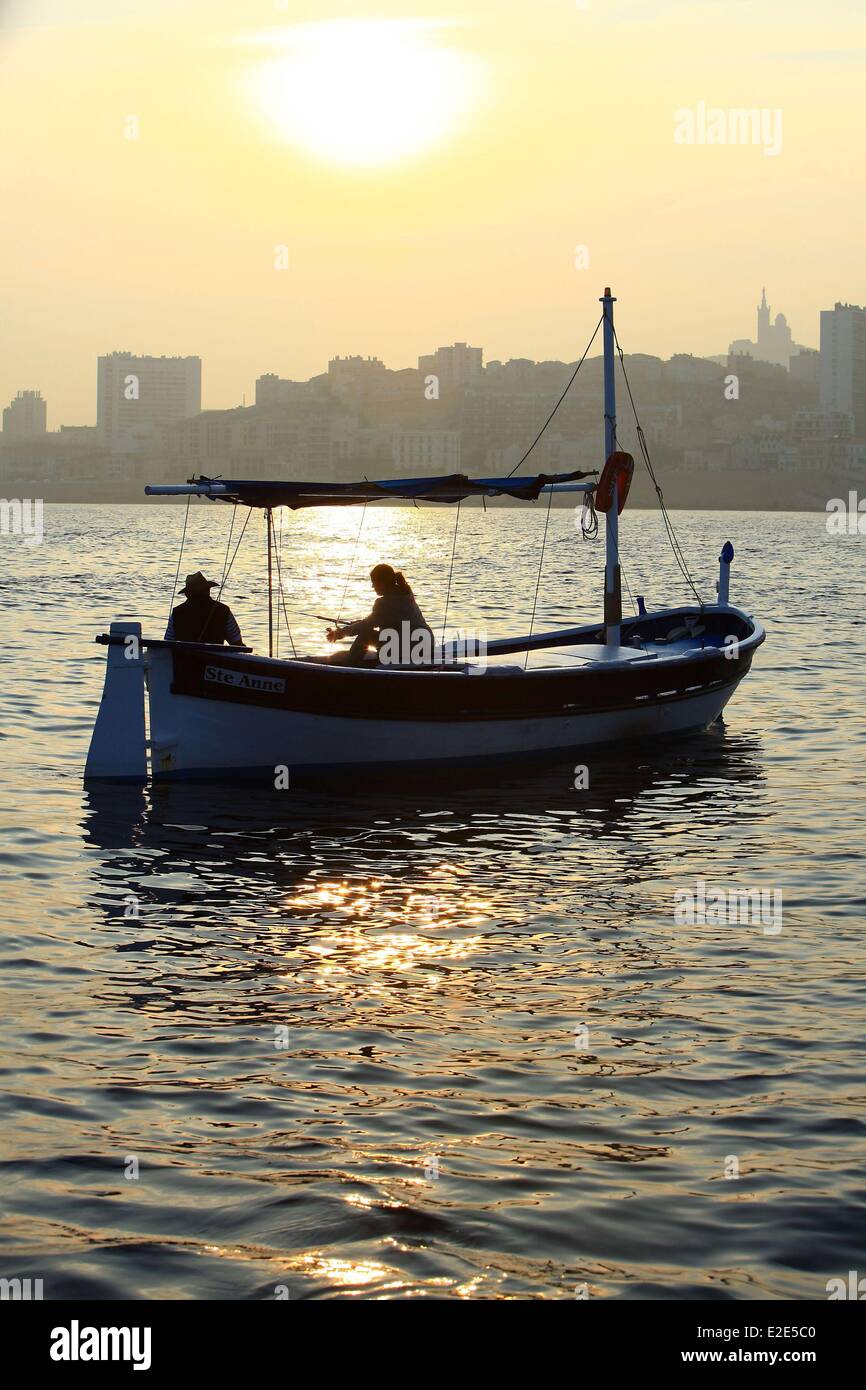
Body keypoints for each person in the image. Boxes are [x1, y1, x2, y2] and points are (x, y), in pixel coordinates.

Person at [327, 564, 432, 666]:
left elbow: (367, 625)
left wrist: (340, 633)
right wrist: (358, 624)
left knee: (365, 635)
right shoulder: (406, 593)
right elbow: (379, 621)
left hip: (409, 649)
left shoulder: (384, 603)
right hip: (427, 647)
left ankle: (349, 669)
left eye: (373, 582)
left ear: (382, 583)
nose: (372, 586)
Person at [165, 571, 244, 645]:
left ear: (187, 594)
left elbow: (167, 644)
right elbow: (237, 644)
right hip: (216, 660)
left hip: (182, 659)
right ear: (208, 590)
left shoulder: (177, 613)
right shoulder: (223, 610)